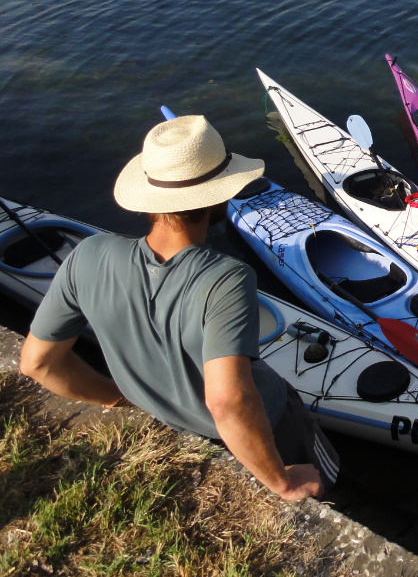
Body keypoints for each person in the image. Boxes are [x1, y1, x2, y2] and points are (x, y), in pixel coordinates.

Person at [20, 115, 338, 502]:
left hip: (177, 425)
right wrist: (282, 482)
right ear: (218, 194)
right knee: (324, 482)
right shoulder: (227, 278)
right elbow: (228, 400)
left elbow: (38, 363)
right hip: (269, 428)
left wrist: (114, 396)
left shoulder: (86, 255)